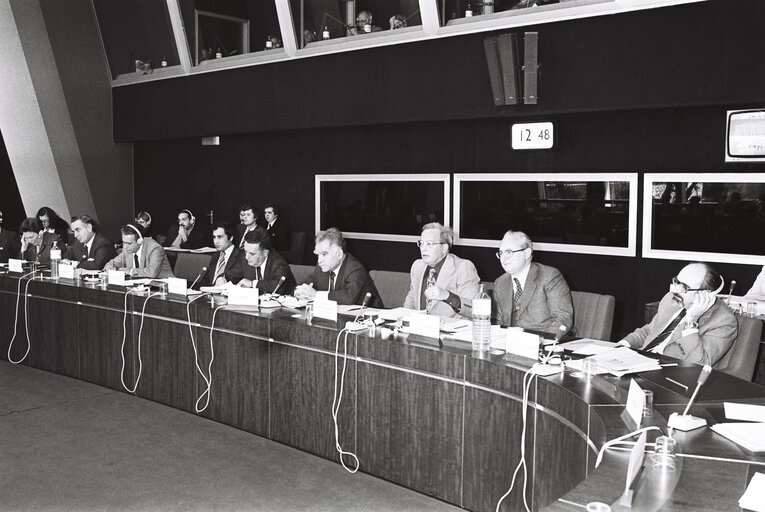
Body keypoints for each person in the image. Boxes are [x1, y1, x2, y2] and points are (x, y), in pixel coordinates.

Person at [619, 262, 737, 366]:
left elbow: (699, 364)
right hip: (640, 362)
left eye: (684, 287)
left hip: (673, 375)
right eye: (677, 282)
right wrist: (622, 345)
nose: (674, 290)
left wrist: (691, 321)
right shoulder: (670, 299)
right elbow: (649, 331)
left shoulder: (723, 321)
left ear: (705, 294)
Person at [493, 230, 574, 334]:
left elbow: (562, 320)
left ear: (526, 253)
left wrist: (536, 342)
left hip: (543, 343)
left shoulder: (549, 276)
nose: (503, 257)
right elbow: (499, 322)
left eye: (509, 252)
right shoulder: (500, 282)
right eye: (501, 253)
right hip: (510, 343)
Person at [403, 222, 480, 318]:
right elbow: (411, 299)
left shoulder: (463, 267)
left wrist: (448, 296)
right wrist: (404, 319)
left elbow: (474, 309)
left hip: (451, 330)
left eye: (429, 244)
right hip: (420, 328)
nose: (423, 248)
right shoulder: (418, 266)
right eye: (421, 243)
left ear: (444, 247)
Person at [294, 227, 382, 307]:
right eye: (318, 255)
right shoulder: (322, 267)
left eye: (324, 254)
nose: (319, 260)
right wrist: (299, 291)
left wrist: (316, 295)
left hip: (368, 318)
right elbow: (304, 284)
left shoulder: (355, 268)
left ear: (339, 254)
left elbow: (348, 298)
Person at [228, 227, 296, 294]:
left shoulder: (279, 263)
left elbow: (278, 287)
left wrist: (252, 284)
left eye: (252, 254)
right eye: (245, 251)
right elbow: (233, 275)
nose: (246, 257)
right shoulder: (246, 257)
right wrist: (224, 278)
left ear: (265, 253)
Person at [105, 224, 174, 278]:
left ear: (139, 241)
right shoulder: (127, 249)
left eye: (129, 243)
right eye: (123, 242)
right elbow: (113, 263)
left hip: (164, 286)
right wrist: (110, 268)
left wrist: (130, 271)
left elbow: (152, 272)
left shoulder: (155, 249)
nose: (125, 246)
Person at [204, 222, 239, 287]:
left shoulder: (241, 256)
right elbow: (207, 281)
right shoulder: (215, 257)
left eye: (219, 237)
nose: (215, 241)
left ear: (231, 238)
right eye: (214, 237)